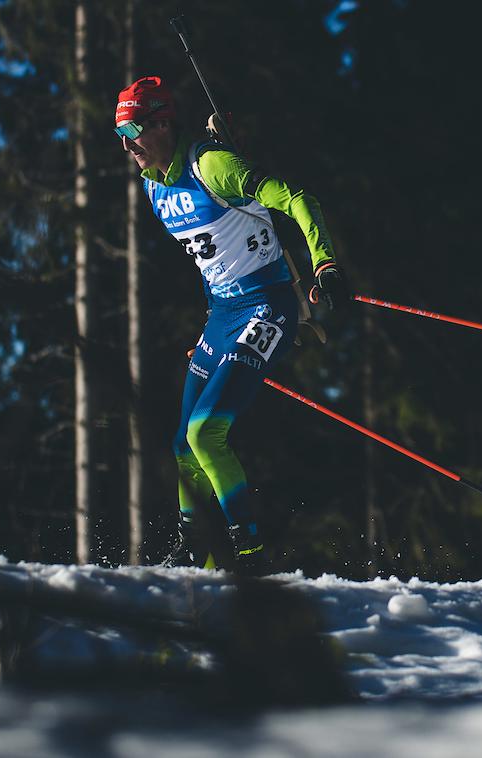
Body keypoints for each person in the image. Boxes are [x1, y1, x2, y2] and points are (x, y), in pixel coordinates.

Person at [114, 75, 350, 573]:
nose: (128, 143)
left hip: (267, 307)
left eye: (135, 128)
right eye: (120, 133)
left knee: (205, 435)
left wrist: (324, 264)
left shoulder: (211, 165)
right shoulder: (152, 184)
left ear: (162, 123)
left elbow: (295, 198)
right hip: (221, 317)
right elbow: (219, 252)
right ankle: (192, 552)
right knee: (181, 447)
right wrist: (210, 328)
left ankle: (248, 554)